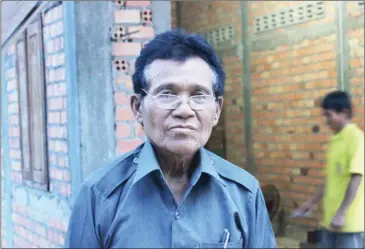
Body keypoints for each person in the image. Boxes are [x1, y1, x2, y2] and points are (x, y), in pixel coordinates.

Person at [64, 29, 276, 248]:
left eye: (198, 95)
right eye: (167, 94)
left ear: (217, 110)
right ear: (138, 108)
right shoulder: (100, 196)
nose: (184, 110)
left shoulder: (244, 194)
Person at [294, 91, 364, 248]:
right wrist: (310, 203)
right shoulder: (335, 140)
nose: (325, 120)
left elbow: (356, 178)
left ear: (344, 113)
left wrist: (341, 213)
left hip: (348, 225)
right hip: (329, 222)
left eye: (329, 115)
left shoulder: (356, 138)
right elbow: (329, 179)